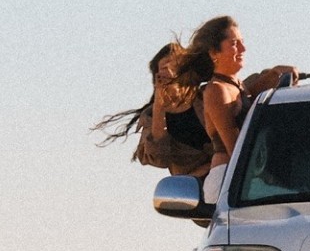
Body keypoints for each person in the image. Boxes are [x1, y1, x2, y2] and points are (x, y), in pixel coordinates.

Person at [173, 16, 296, 202]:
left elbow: (253, 93)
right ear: (214, 52)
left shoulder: (238, 87)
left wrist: (277, 73)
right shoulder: (216, 90)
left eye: (242, 43)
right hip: (227, 179)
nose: (243, 49)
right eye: (234, 44)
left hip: (243, 179)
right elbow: (235, 148)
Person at [93, 42, 210, 176]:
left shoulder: (207, 98)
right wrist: (159, 106)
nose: (169, 71)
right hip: (191, 187)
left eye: (175, 65)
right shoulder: (151, 117)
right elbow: (158, 158)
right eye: (164, 67)